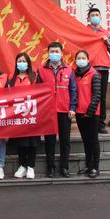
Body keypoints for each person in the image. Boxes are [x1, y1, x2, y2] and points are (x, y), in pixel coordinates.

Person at [37, 42, 77, 178]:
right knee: (50, 141)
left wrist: (72, 108)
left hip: (64, 110)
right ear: (48, 53)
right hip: (49, 112)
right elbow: (38, 92)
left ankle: (64, 168)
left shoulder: (68, 70)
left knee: (65, 141)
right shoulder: (41, 70)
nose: (54, 54)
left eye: (56, 51)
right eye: (52, 51)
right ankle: (51, 168)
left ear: (61, 53)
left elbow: (73, 90)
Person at [86, 7, 110, 133]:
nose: (94, 16)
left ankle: (101, 124)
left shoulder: (106, 32)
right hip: (89, 68)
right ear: (88, 18)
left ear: (100, 17)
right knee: (89, 96)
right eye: (92, 15)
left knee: (101, 97)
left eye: (97, 14)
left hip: (103, 68)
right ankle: (90, 123)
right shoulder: (84, 31)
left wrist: (106, 41)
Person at [10, 52, 39, 180]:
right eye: (19, 61)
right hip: (17, 114)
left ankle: (31, 166)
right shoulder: (12, 79)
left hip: (31, 114)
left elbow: (39, 94)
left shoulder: (34, 77)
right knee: (20, 142)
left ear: (28, 63)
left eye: (24, 61)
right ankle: (22, 165)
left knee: (31, 142)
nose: (21, 63)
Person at [74, 50, 101, 178]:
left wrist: (89, 112)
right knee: (85, 141)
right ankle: (89, 165)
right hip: (79, 113)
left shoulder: (94, 74)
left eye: (83, 58)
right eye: (78, 58)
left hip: (91, 114)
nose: (80, 60)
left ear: (88, 59)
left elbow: (97, 95)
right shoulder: (75, 74)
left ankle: (96, 168)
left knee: (93, 140)